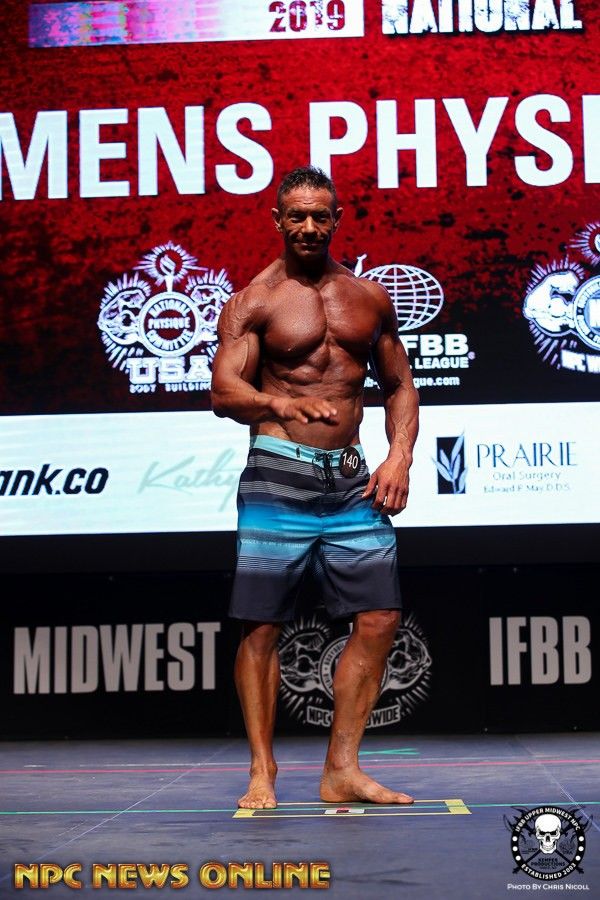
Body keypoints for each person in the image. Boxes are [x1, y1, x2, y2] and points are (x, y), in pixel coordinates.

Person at [211, 165, 419, 809]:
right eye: (296, 215)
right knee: (262, 626)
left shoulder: (368, 298)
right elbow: (223, 393)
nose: (307, 226)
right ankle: (262, 771)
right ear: (277, 219)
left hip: (352, 479)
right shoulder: (255, 301)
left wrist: (399, 457)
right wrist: (277, 402)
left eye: (319, 215)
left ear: (336, 220)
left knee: (380, 617)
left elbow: (400, 385)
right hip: (278, 476)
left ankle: (342, 769)